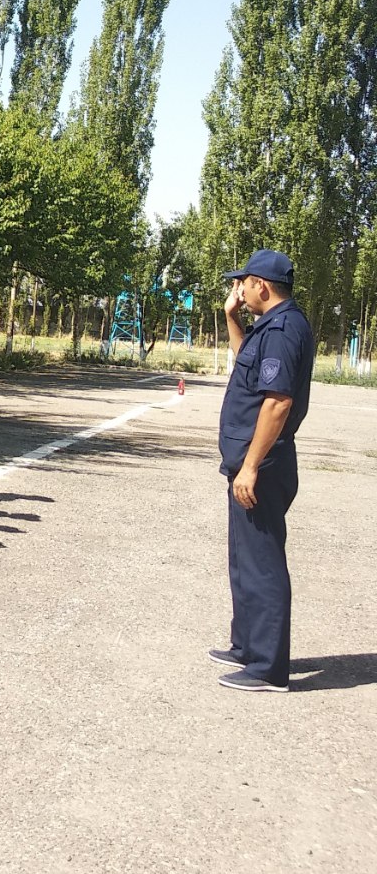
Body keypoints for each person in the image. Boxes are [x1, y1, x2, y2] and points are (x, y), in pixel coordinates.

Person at [209, 250, 314, 693]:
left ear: (262, 286)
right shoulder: (268, 326)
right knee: (244, 559)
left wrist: (251, 466)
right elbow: (246, 363)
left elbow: (277, 402)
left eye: (244, 283)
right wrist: (231, 317)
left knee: (262, 563)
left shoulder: (285, 330)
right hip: (248, 462)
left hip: (263, 465)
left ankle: (268, 668)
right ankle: (247, 647)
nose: (240, 289)